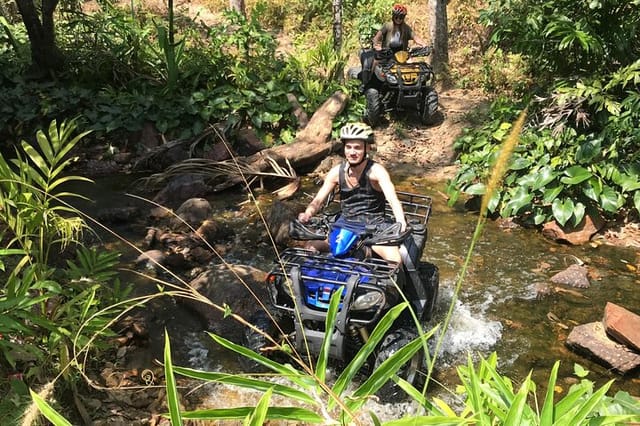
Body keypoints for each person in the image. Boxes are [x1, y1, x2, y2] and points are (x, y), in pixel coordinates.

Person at [298, 122, 407, 264]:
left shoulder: (376, 172)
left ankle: (396, 286)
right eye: (348, 147)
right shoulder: (337, 172)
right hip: (344, 225)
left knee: (394, 259)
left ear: (367, 148)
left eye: (357, 148)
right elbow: (318, 201)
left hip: (373, 227)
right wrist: (307, 213)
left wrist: (401, 222)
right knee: (310, 248)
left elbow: (393, 199)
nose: (352, 152)